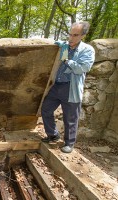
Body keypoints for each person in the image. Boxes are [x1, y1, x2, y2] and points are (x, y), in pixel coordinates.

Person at [41, 22, 95, 153]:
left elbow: (82, 68)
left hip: (71, 88)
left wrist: (66, 60)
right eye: (70, 34)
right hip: (57, 86)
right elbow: (55, 43)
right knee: (45, 109)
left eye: (75, 35)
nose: (71, 38)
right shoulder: (65, 46)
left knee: (70, 117)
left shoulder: (87, 50)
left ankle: (69, 143)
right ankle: (53, 134)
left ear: (83, 35)